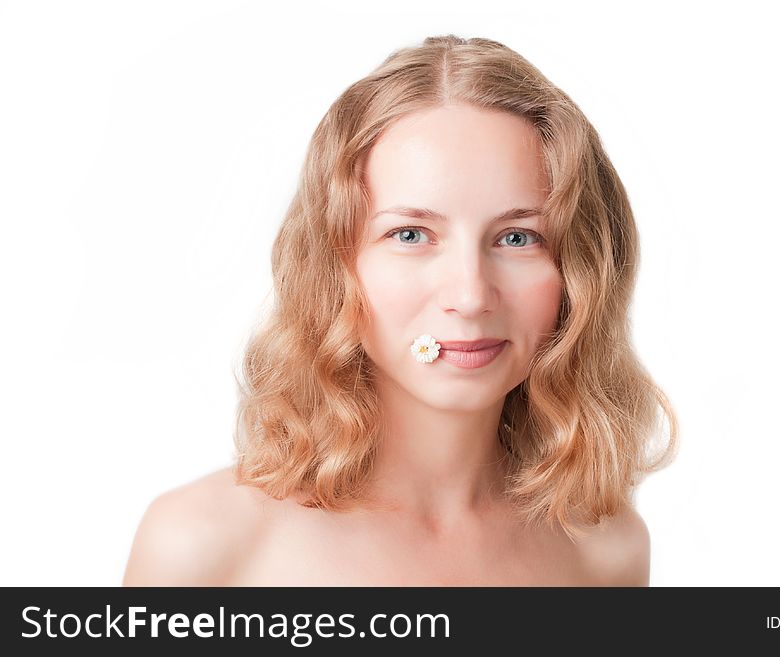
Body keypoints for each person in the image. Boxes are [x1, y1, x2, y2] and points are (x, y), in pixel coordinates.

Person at [123, 34, 678, 587]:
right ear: (335, 261)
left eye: (517, 238)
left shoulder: (606, 550)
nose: (470, 295)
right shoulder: (202, 544)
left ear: (582, 271)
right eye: (411, 234)